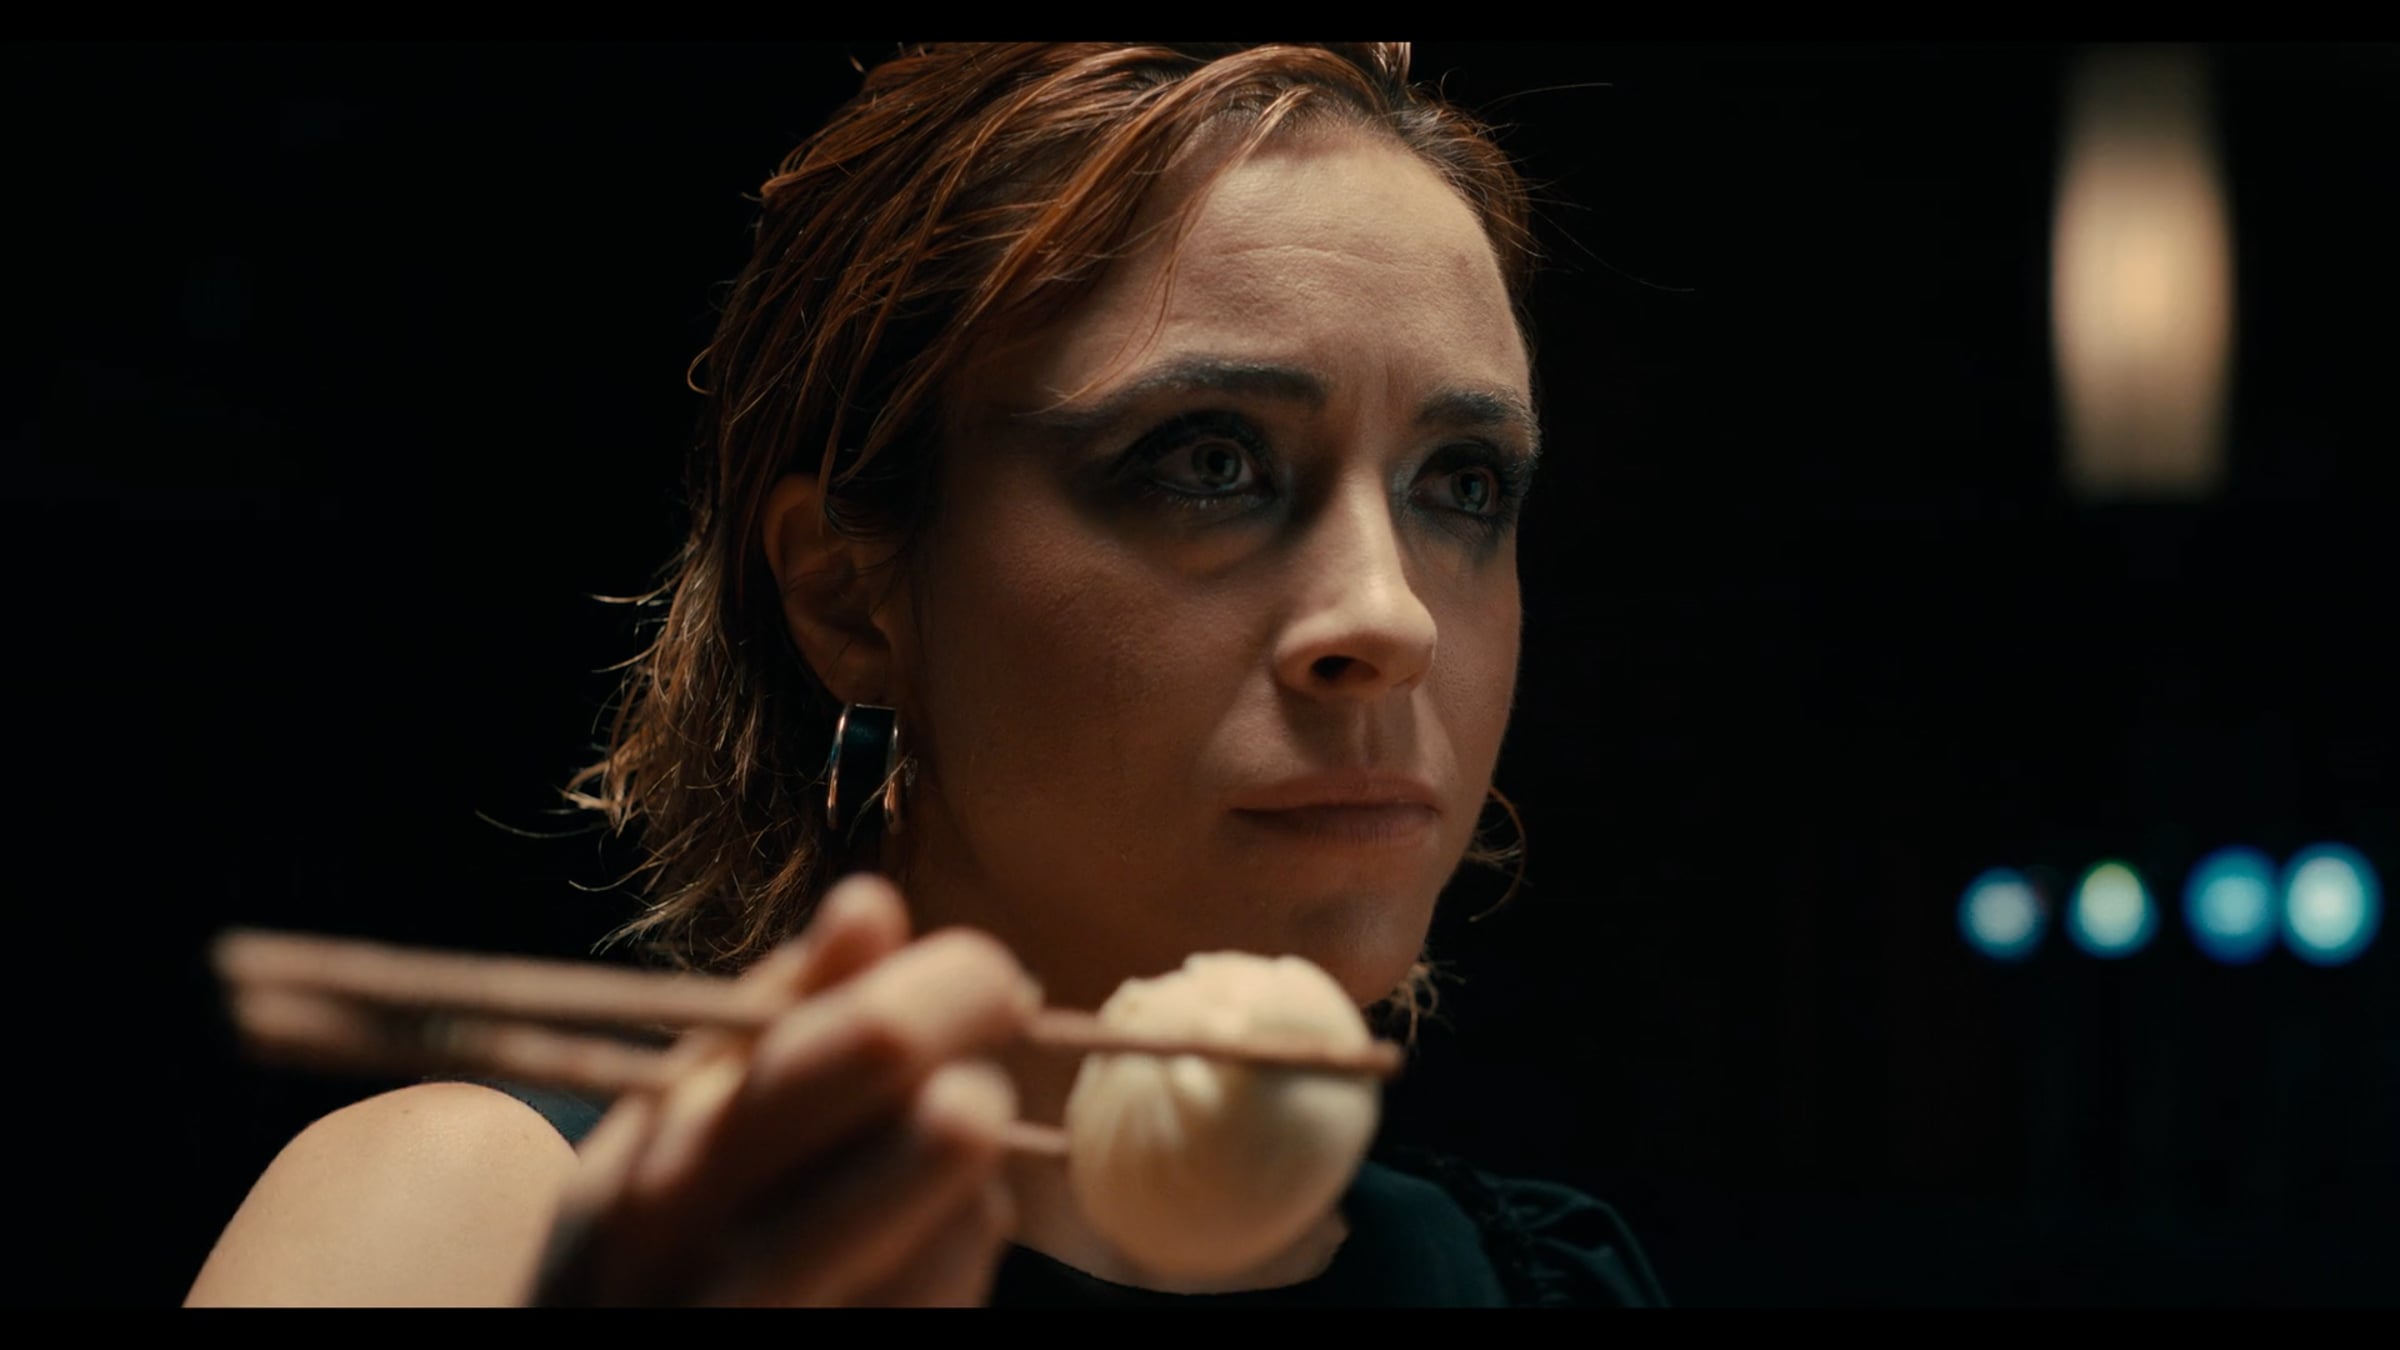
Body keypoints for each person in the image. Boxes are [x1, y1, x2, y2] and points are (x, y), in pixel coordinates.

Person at [184, 41, 1667, 1307]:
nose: (1391, 614)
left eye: (1462, 483)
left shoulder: (1543, 1280)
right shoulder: (470, 1224)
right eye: (1209, 461)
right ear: (850, 594)